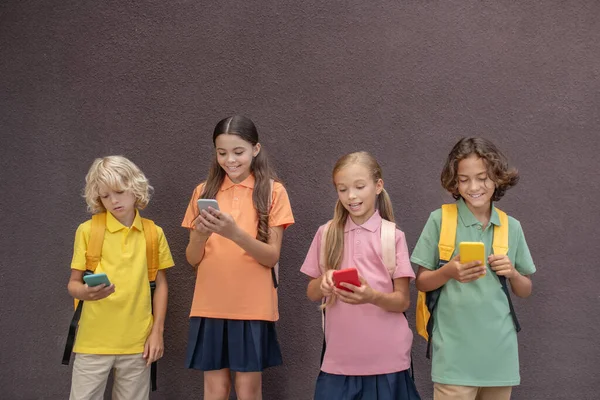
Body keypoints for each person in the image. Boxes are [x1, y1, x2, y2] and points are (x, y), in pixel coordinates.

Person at [412, 137, 536, 400]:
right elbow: (421, 282)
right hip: (454, 359)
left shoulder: (511, 227)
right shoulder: (440, 220)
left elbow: (525, 289)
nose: (474, 186)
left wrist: (512, 273)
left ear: (497, 178)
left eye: (482, 178)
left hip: (499, 357)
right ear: (454, 181)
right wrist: (449, 271)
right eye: (464, 179)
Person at [181, 115, 294, 400]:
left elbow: (271, 257)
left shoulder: (273, 191)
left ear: (255, 149)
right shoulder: (202, 192)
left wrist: (234, 233)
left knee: (248, 390)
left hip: (252, 307)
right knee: (215, 390)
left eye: (238, 152)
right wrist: (200, 235)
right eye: (222, 153)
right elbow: (192, 259)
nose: (230, 160)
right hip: (209, 304)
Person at [300, 151, 420, 400]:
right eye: (342, 189)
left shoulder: (393, 236)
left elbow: (403, 301)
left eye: (359, 187)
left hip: (389, 363)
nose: (351, 196)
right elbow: (311, 291)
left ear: (378, 186)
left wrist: (372, 296)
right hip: (338, 362)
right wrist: (323, 284)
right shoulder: (327, 233)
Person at [68, 155, 174, 400]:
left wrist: (157, 332)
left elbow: (161, 286)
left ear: (135, 188)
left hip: (138, 344)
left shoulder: (152, 233)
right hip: (93, 341)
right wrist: (85, 292)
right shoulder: (88, 231)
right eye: (105, 196)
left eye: (119, 191)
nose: (113, 200)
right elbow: (73, 285)